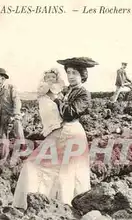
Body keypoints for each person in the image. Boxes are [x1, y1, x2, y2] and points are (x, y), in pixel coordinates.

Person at [13, 57, 98, 210]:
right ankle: (34, 204)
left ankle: (67, 208)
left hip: (72, 134)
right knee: (33, 164)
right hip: (59, 132)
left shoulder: (84, 94)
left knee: (68, 173)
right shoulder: (67, 90)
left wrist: (55, 98)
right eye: (69, 72)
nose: (71, 76)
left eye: (75, 73)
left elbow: (69, 113)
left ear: (83, 76)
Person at [0, 68, 25, 156]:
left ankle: (23, 147)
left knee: (18, 127)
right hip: (1, 117)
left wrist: (16, 114)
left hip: (12, 115)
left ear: (3, 79)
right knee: (3, 137)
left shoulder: (11, 88)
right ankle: (4, 156)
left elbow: (17, 101)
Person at [37, 68, 65, 137]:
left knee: (56, 111)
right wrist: (48, 85)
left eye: (53, 77)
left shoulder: (57, 86)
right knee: (50, 111)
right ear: (44, 78)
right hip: (45, 102)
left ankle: (56, 125)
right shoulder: (44, 85)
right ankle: (51, 127)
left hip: (54, 103)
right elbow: (42, 92)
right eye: (48, 77)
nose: (51, 79)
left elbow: (58, 93)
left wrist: (61, 96)